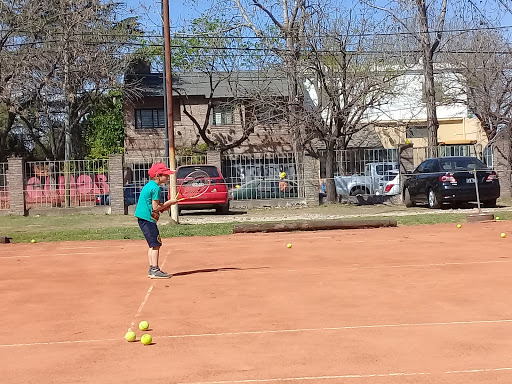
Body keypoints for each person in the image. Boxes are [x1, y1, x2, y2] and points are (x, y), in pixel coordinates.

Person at [135, 162, 178, 279]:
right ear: (158, 175)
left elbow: (152, 206)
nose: (168, 177)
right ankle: (154, 269)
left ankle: (152, 268)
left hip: (144, 219)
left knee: (152, 245)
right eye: (166, 175)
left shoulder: (149, 185)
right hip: (147, 220)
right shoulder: (156, 188)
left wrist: (164, 207)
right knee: (156, 244)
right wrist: (169, 203)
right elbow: (155, 207)